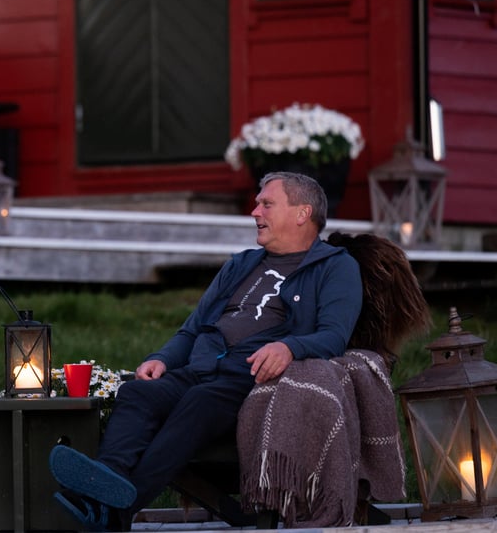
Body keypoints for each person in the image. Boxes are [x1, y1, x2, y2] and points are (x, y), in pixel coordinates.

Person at [48, 172, 363, 531]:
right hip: (202, 364)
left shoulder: (336, 267)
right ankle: (105, 482)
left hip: (249, 376)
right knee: (138, 393)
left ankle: (116, 508)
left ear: (302, 213)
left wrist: (290, 346)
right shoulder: (242, 264)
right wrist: (163, 358)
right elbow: (193, 326)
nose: (254, 211)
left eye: (266, 204)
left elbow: (334, 335)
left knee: (200, 402)